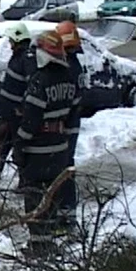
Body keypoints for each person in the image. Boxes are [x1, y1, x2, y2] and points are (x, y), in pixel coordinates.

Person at [14, 30, 79, 256]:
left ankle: (40, 246)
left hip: (38, 150)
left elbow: (30, 121)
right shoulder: (69, 79)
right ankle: (50, 241)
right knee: (52, 196)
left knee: (35, 197)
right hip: (59, 149)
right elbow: (73, 115)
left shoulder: (40, 81)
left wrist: (19, 147)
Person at [0, 22, 35, 180]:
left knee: (19, 147)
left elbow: (33, 85)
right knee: (2, 139)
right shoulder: (18, 56)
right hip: (9, 112)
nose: (10, 44)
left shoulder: (27, 59)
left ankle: (25, 180)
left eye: (11, 41)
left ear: (19, 40)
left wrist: (23, 107)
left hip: (17, 113)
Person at [56, 20, 85, 234]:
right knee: (64, 169)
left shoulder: (70, 68)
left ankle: (65, 216)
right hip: (70, 124)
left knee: (64, 170)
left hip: (67, 126)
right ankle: (65, 214)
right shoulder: (74, 66)